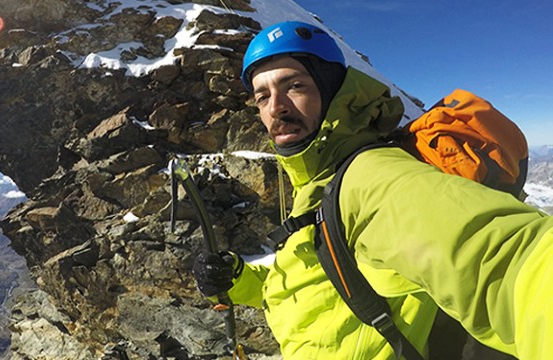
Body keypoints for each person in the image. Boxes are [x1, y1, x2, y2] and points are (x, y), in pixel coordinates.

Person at [193, 20, 553, 359]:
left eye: (294, 85)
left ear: (331, 88)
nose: (277, 108)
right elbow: (317, 291)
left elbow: (512, 263)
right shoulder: (318, 182)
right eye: (262, 96)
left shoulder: (369, 178)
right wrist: (239, 280)